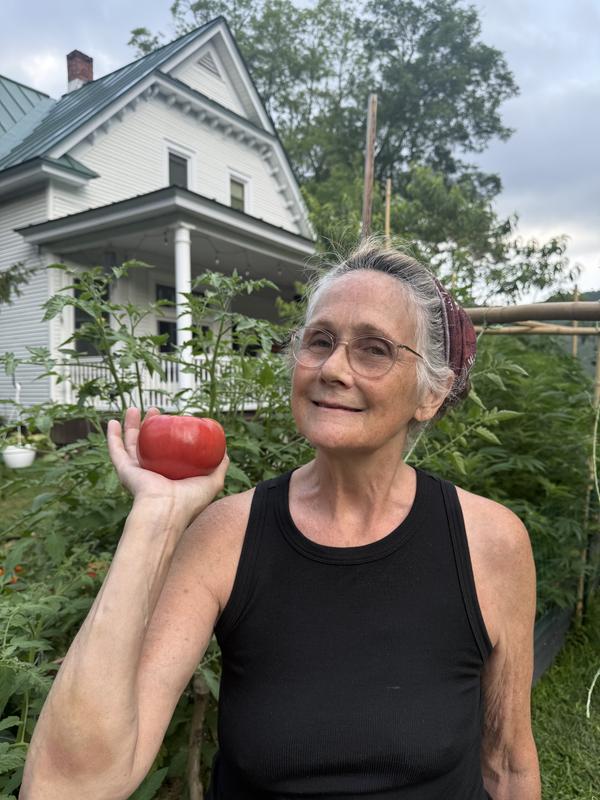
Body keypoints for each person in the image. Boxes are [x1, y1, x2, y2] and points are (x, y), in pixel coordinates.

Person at [19, 240, 541, 800]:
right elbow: (69, 784)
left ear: (431, 394)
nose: (334, 368)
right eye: (320, 340)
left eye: (373, 349)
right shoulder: (227, 537)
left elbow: (507, 763)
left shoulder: (490, 542)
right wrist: (155, 519)